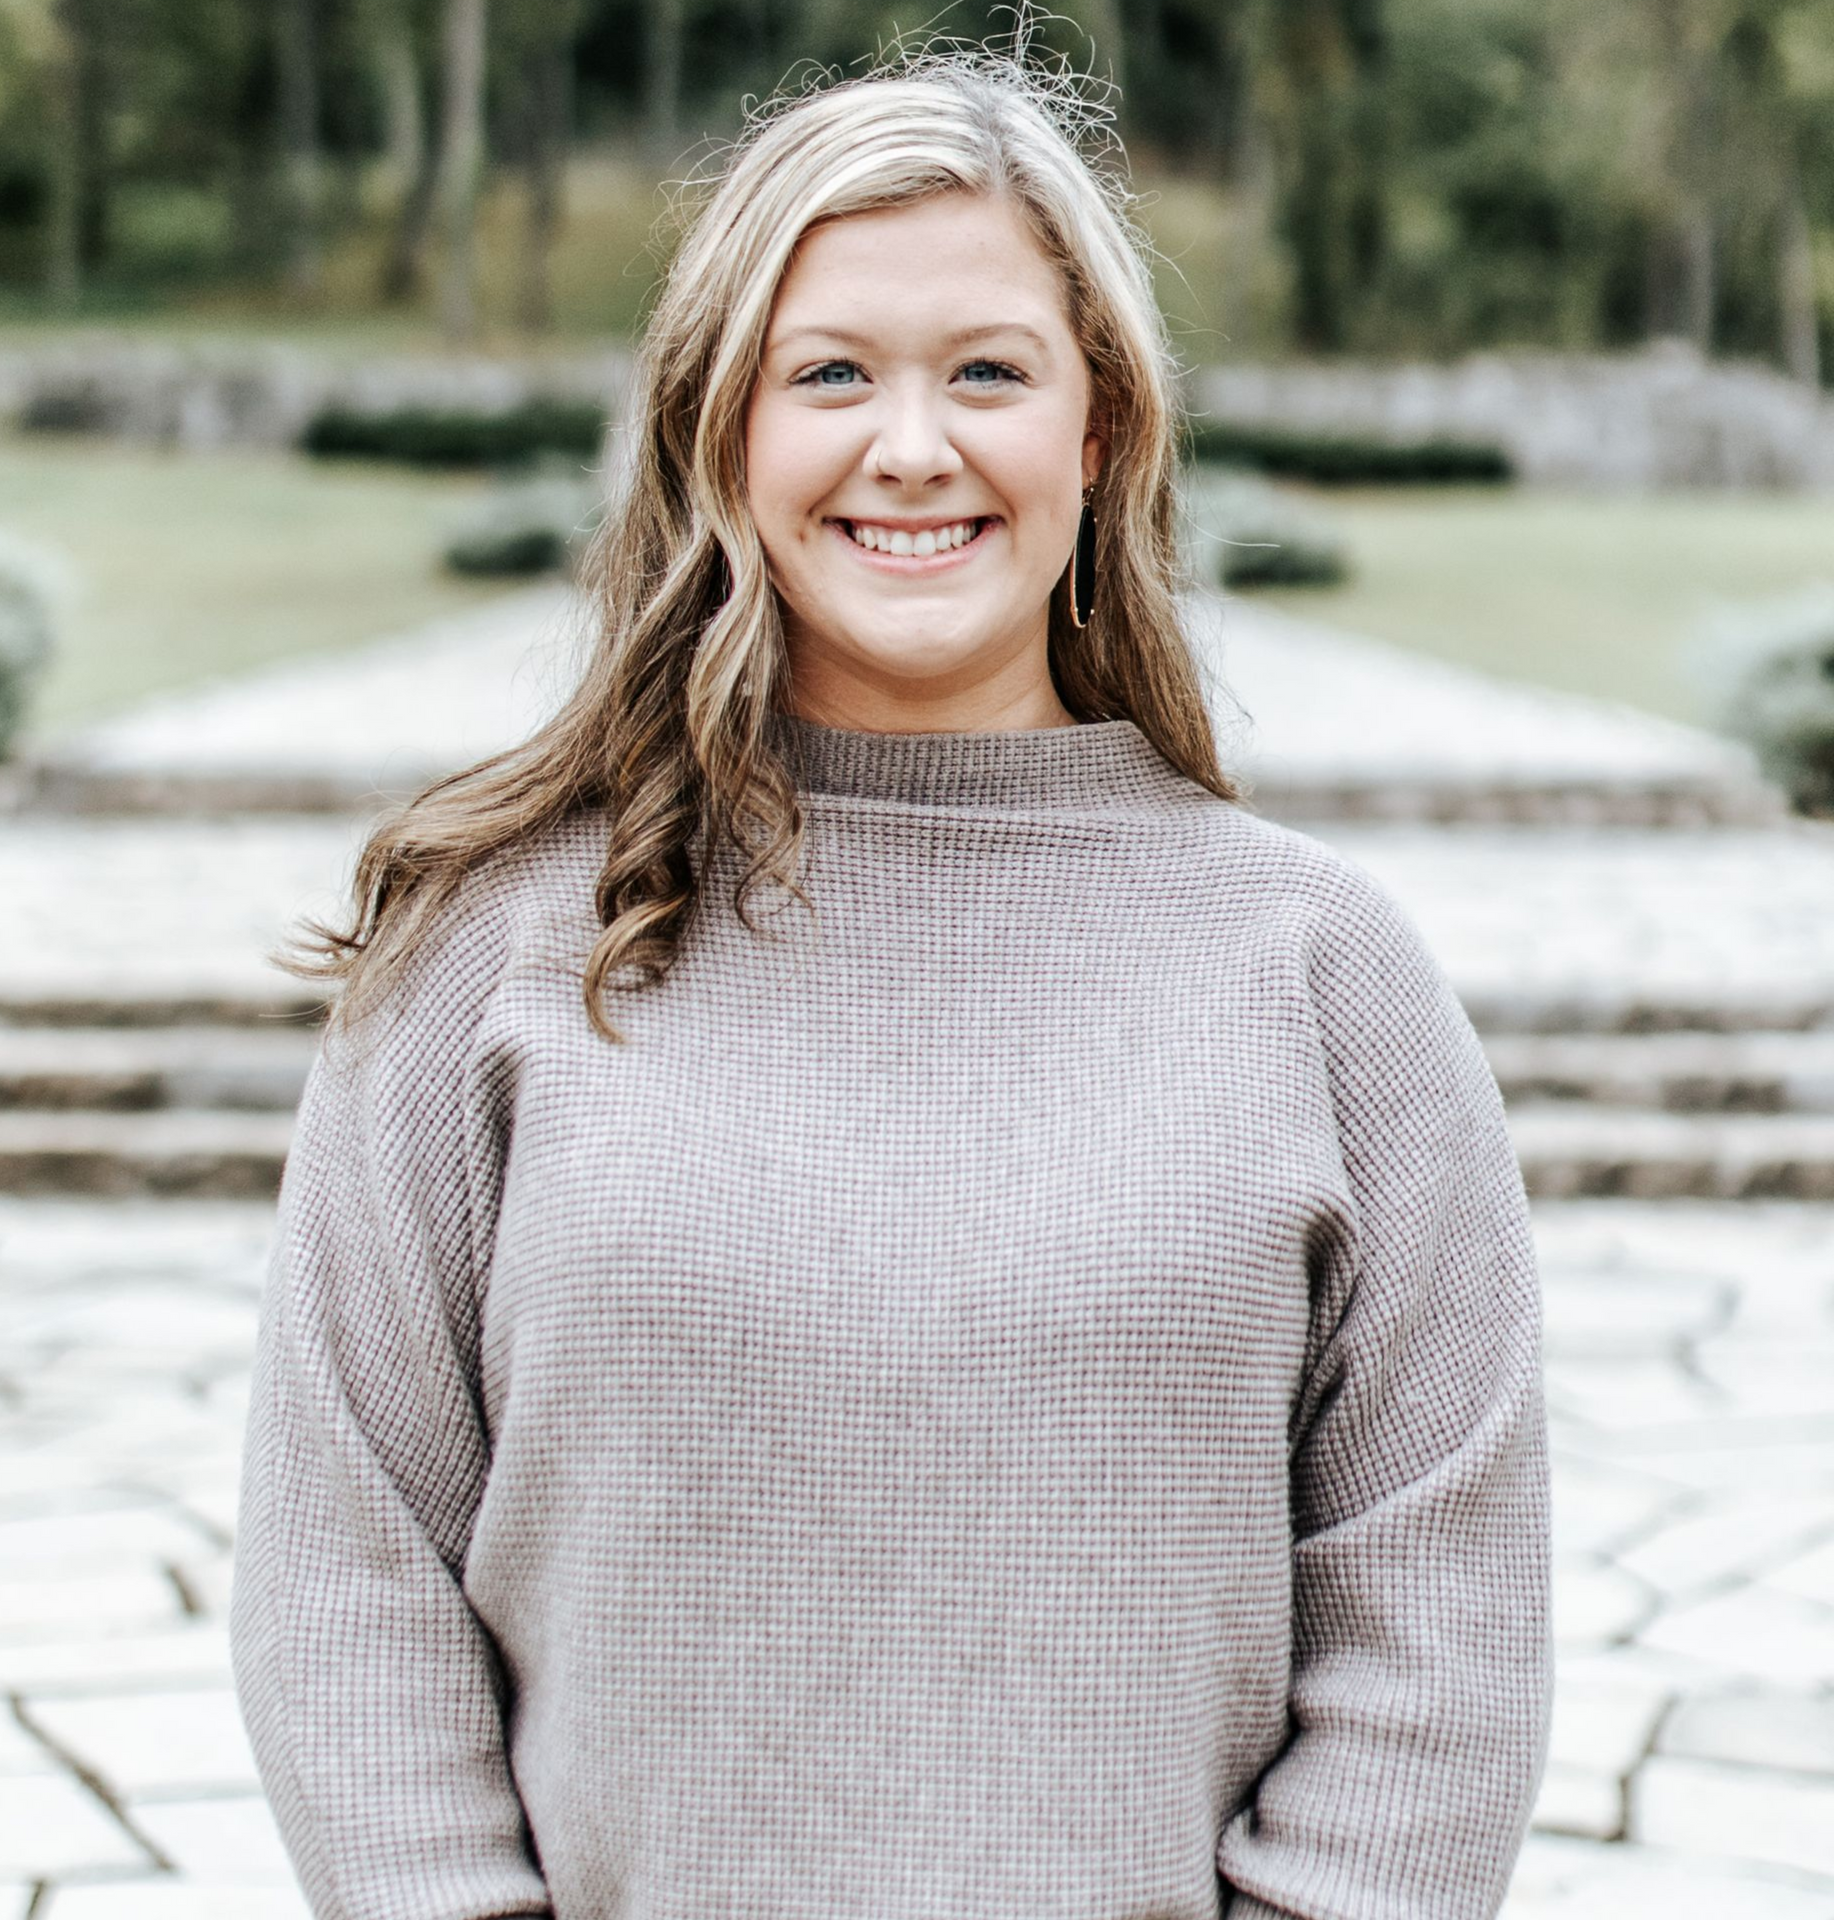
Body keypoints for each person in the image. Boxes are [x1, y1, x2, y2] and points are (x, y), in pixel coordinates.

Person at [228, 32, 1553, 1920]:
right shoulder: (490, 956)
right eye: (830, 372)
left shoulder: (1324, 978)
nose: (912, 446)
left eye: (988, 372)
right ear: (722, 430)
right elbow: (346, 1570)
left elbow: (1440, 1616)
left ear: (1099, 433)